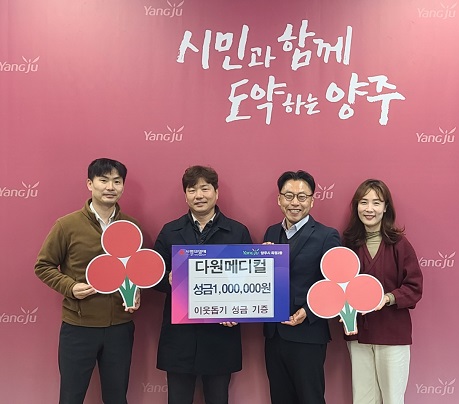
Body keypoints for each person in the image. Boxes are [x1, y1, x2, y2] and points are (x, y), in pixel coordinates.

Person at [34, 158, 140, 404]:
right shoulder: (67, 225)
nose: (110, 187)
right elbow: (43, 265)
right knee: (71, 397)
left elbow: (135, 269)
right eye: (103, 180)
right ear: (90, 184)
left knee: (117, 397)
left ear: (123, 186)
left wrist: (135, 293)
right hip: (78, 327)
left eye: (117, 181)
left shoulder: (131, 226)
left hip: (120, 327)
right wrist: (70, 287)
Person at [153, 165, 252, 404]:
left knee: (218, 398)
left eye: (205, 189)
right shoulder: (170, 231)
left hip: (220, 335)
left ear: (216, 193)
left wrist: (237, 311)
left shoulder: (237, 232)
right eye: (192, 190)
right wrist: (167, 279)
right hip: (180, 337)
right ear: (185, 195)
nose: (199, 195)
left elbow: (249, 282)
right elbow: (153, 276)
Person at [262, 170, 341, 404]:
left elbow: (334, 286)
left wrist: (308, 311)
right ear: (279, 199)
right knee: (279, 398)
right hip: (274, 335)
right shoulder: (271, 232)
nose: (294, 202)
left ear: (312, 201)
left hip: (308, 334)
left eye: (302, 196)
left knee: (310, 399)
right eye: (288, 196)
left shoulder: (327, 236)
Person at [342, 179, 423, 404]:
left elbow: (414, 286)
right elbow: (339, 286)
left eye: (376, 203)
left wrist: (388, 298)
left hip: (392, 333)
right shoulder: (348, 244)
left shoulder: (399, 244)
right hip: (359, 333)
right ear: (356, 206)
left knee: (392, 398)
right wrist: (343, 310)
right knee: (363, 398)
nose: (369, 208)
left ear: (386, 207)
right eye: (364, 202)